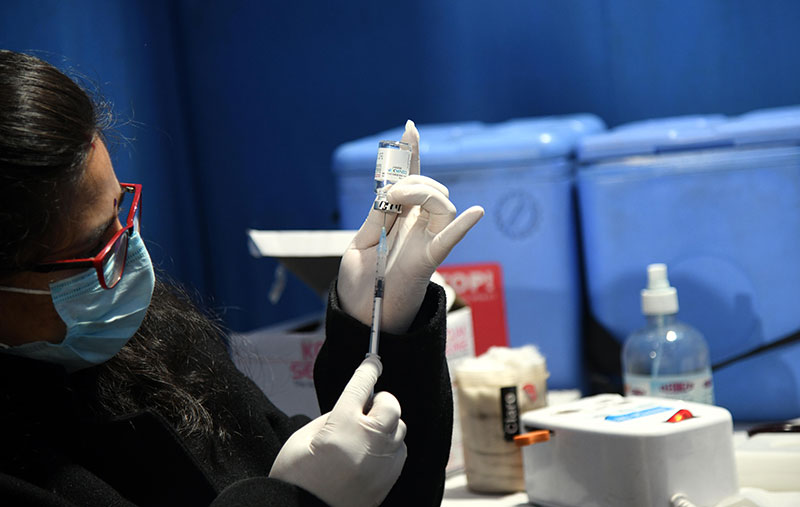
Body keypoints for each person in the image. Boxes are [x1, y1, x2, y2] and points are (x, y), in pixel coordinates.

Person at [0, 49, 484, 506]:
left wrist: (381, 328)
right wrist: (292, 500)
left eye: (119, 213)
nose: (124, 253)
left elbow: (380, 485)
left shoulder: (152, 342)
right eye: (92, 249)